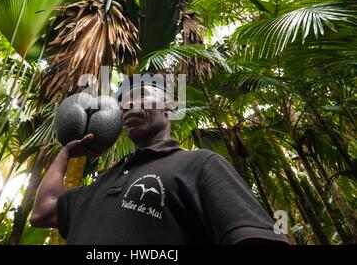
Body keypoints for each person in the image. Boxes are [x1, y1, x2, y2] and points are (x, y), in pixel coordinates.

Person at [30, 73, 289, 245]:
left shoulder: (199, 165)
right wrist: (65, 154)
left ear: (170, 107)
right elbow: (41, 213)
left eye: (141, 95)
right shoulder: (100, 184)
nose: (129, 105)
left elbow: (254, 238)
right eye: (124, 103)